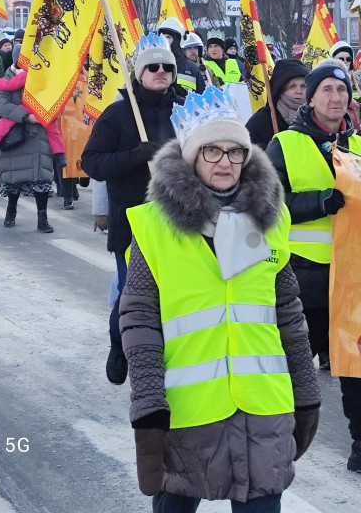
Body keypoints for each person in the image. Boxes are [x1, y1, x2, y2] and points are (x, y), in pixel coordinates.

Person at [120, 85, 319, 510]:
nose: (225, 162)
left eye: (235, 151)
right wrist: (149, 410)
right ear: (193, 156)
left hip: (264, 407)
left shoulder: (272, 220)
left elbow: (288, 316)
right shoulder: (154, 227)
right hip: (190, 413)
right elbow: (140, 322)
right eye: (212, 151)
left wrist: (306, 392)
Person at [266, 59, 361, 482]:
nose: (336, 97)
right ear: (310, 98)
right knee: (293, 371)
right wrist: (319, 202)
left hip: (355, 278)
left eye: (342, 91)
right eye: (327, 90)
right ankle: (273, 448)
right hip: (304, 279)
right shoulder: (284, 145)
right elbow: (266, 205)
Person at [82, 34, 184, 385]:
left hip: (180, 219)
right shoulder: (118, 114)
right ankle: (118, 345)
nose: (160, 72)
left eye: (167, 67)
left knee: (177, 295)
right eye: (152, 67)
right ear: (139, 73)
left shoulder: (185, 109)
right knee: (132, 295)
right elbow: (92, 163)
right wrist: (135, 156)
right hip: (133, 222)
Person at [0, 45, 59, 234]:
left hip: (39, 135)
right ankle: (11, 210)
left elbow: (57, 102)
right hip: (15, 135)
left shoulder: (43, 78)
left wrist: (46, 114)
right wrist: (25, 116)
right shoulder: (7, 79)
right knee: (14, 177)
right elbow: (0, 105)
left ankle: (42, 218)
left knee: (41, 177)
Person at [0, 68, 67, 167]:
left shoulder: (27, 74)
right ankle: (60, 156)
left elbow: (10, 85)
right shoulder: (48, 73)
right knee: (53, 131)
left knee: (7, 120)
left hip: (30, 104)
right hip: (46, 105)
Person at [246, 58, 308, 150]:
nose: (299, 91)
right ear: (280, 88)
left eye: (303, 86)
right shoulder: (260, 122)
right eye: (292, 86)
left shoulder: (317, 114)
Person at [329, 41, 361, 136]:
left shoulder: (357, 80)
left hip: (355, 128)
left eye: (348, 59)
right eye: (341, 59)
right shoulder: (327, 80)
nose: (345, 61)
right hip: (335, 128)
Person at [158, 17, 205, 94]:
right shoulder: (154, 66)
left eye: (168, 37)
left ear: (178, 40)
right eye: (162, 37)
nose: (164, 40)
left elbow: (202, 97)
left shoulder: (192, 68)